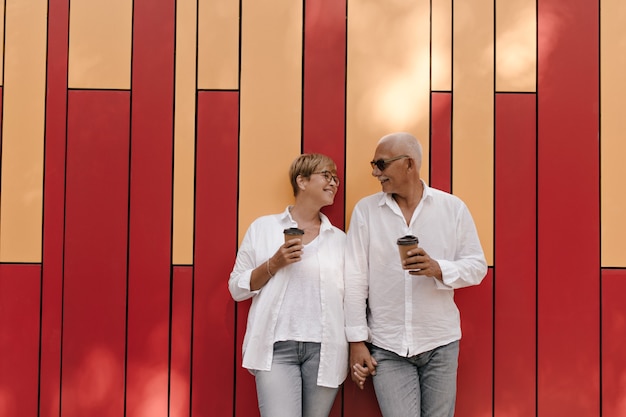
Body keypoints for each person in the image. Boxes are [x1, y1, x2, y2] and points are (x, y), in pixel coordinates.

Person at [344, 132, 488, 417]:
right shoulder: (366, 211)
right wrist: (357, 341)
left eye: (381, 164)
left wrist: (438, 269)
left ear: (408, 164)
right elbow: (355, 277)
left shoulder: (452, 208)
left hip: (440, 342)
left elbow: (477, 266)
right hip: (387, 345)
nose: (375, 172)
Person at [228, 153, 348, 417]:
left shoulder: (340, 240)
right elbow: (236, 288)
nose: (334, 183)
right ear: (302, 181)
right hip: (276, 349)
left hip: (325, 350)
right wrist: (273, 263)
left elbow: (352, 299)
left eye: (336, 178)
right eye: (326, 175)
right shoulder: (263, 228)